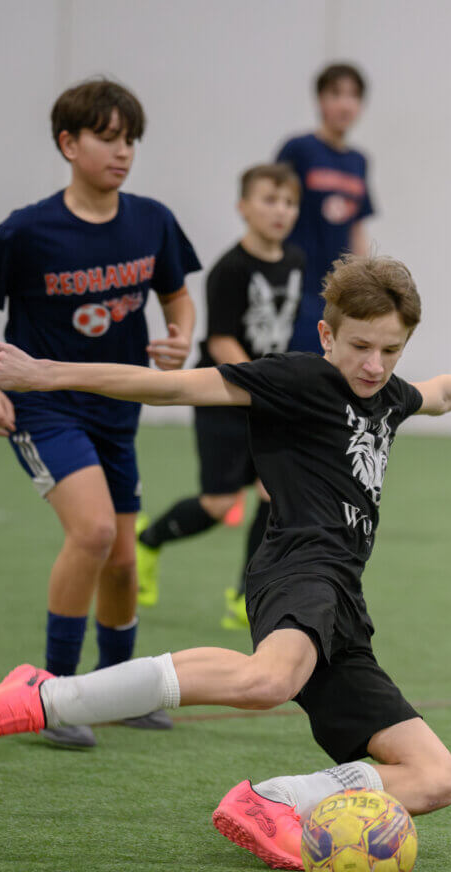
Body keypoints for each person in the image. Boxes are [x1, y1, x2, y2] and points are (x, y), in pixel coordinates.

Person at [0, 255, 451, 872]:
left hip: (344, 608)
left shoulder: (388, 394)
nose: (374, 365)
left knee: (434, 776)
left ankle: (275, 801)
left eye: (391, 350)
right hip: (298, 567)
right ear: (327, 336)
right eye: (360, 347)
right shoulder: (297, 379)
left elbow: (438, 393)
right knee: (267, 682)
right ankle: (47, 697)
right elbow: (171, 387)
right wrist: (45, 374)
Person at [0, 78, 201, 749]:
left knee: (122, 560)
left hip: (117, 407)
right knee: (93, 532)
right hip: (43, 408)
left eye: (131, 140)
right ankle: (51, 695)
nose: (123, 152)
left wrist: (180, 337)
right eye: (107, 138)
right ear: (68, 143)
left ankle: (120, 688)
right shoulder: (28, 230)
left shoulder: (152, 220)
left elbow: (177, 295)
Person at [136, 163, 305, 626]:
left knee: (274, 494)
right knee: (218, 504)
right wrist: (266, 384)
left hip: (269, 399)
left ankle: (247, 596)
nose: (281, 211)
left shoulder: (296, 260)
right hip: (224, 396)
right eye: (269, 200)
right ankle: (148, 541)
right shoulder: (230, 269)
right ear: (243, 207)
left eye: (289, 202)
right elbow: (221, 341)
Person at [276, 62, 374, 353]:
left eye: (353, 96)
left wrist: (367, 283)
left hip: (336, 290)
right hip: (296, 285)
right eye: (336, 94)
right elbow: (272, 207)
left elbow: (356, 226)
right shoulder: (299, 149)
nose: (345, 104)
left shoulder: (359, 161)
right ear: (320, 100)